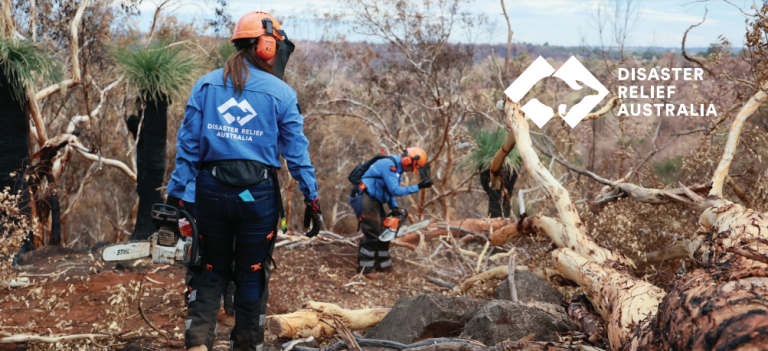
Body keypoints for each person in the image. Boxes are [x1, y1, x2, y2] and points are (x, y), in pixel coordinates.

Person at [166, 12, 322, 351]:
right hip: (257, 197)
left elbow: (188, 149)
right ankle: (247, 345)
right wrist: (313, 199)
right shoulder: (282, 93)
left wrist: (175, 197)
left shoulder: (206, 85)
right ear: (267, 45)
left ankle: (197, 345)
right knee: (251, 274)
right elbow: (297, 155)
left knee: (209, 269)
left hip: (210, 193)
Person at [348, 148, 434, 279]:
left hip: (374, 200)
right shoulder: (389, 165)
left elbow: (388, 191)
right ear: (408, 160)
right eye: (412, 167)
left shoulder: (398, 170)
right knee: (372, 233)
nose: (411, 170)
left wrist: (394, 208)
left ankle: (384, 266)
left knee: (384, 233)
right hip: (363, 197)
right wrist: (419, 187)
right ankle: (366, 269)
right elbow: (395, 190)